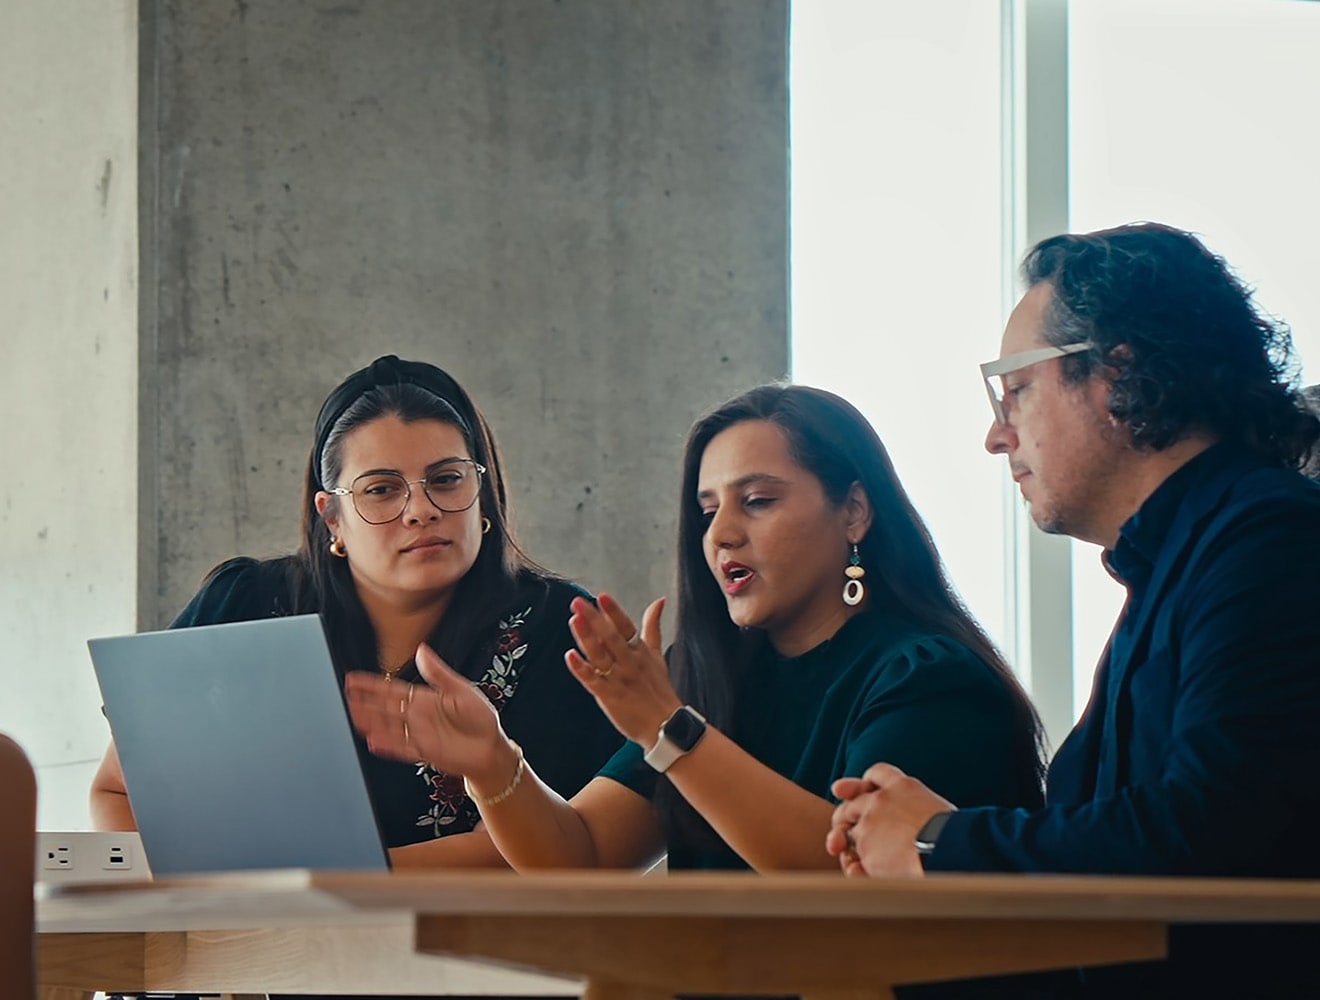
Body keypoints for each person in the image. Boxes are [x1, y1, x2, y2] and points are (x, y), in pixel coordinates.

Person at [828, 222, 1320, 997]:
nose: (997, 435)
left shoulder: (1271, 541)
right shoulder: (1180, 567)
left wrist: (938, 838)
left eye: (1015, 389)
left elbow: (1207, 832)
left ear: (1117, 376)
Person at [347, 383, 1046, 873]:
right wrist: (494, 763)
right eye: (708, 509)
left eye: (760, 501)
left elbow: (850, 876)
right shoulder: (709, 677)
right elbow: (582, 857)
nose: (723, 534)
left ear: (855, 511)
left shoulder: (929, 677)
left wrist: (671, 731)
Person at [90, 355, 624, 868]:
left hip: (467, 950)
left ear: (484, 493)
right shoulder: (246, 604)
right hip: (239, 950)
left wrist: (308, 891)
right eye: (382, 490)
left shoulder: (560, 628)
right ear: (333, 519)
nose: (421, 510)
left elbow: (534, 856)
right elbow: (119, 790)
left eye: (446, 479)